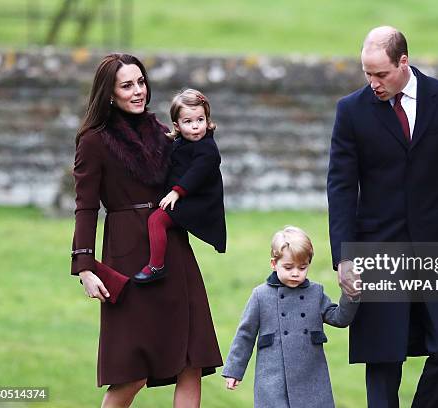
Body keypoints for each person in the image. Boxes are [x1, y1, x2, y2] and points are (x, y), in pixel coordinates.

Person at [327, 26, 438, 407]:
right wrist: (344, 256)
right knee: (384, 357)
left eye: (380, 74)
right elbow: (340, 187)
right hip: (378, 247)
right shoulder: (351, 110)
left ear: (404, 62)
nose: (373, 83)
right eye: (367, 73)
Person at [71, 53, 222, 407]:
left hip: (173, 250)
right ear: (109, 93)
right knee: (132, 372)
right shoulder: (94, 141)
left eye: (141, 82)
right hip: (127, 258)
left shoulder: (164, 133)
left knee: (191, 361)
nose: (138, 91)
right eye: (127, 85)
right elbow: (86, 206)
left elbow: (201, 170)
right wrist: (84, 267)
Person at [222, 226, 359, 408]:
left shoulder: (315, 293)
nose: (296, 273)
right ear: (273, 264)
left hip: (311, 376)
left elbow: (339, 319)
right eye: (288, 267)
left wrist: (351, 295)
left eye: (302, 267)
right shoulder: (260, 295)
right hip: (273, 378)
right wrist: (234, 371)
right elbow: (245, 335)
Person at [133, 88, 226, 283]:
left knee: (156, 220)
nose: (195, 127)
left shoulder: (207, 148)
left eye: (200, 120)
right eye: (188, 122)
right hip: (186, 198)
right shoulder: (180, 143)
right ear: (177, 125)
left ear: (207, 120)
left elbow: (196, 173)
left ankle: (156, 266)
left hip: (198, 202)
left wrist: (176, 192)